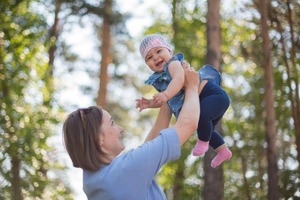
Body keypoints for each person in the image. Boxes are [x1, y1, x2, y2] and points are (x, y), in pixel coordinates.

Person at [62, 63, 200, 200]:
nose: (120, 129)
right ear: (98, 139)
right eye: (112, 123)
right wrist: (192, 87)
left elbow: (148, 150)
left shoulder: (93, 180)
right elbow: (187, 125)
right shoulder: (126, 171)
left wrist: (169, 96)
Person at [136, 33, 232, 168]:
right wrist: (150, 103)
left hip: (212, 95)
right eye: (149, 58)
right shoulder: (160, 79)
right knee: (203, 125)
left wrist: (165, 95)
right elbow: (167, 101)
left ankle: (203, 142)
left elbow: (179, 80)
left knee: (202, 117)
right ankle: (222, 150)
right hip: (203, 101)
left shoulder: (173, 64)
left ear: (169, 51)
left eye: (159, 51)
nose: (155, 57)